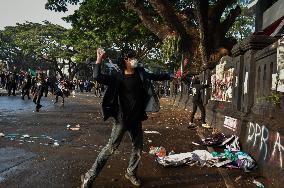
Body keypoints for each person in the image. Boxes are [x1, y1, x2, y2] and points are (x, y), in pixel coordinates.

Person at [81, 48, 173, 188]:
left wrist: (170, 75)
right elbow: (97, 76)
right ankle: (89, 176)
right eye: (132, 58)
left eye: (135, 57)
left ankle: (131, 172)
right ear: (125, 60)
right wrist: (99, 59)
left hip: (136, 119)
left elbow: (155, 76)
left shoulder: (141, 73)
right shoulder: (117, 77)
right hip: (122, 120)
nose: (135, 60)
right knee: (111, 148)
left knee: (137, 148)